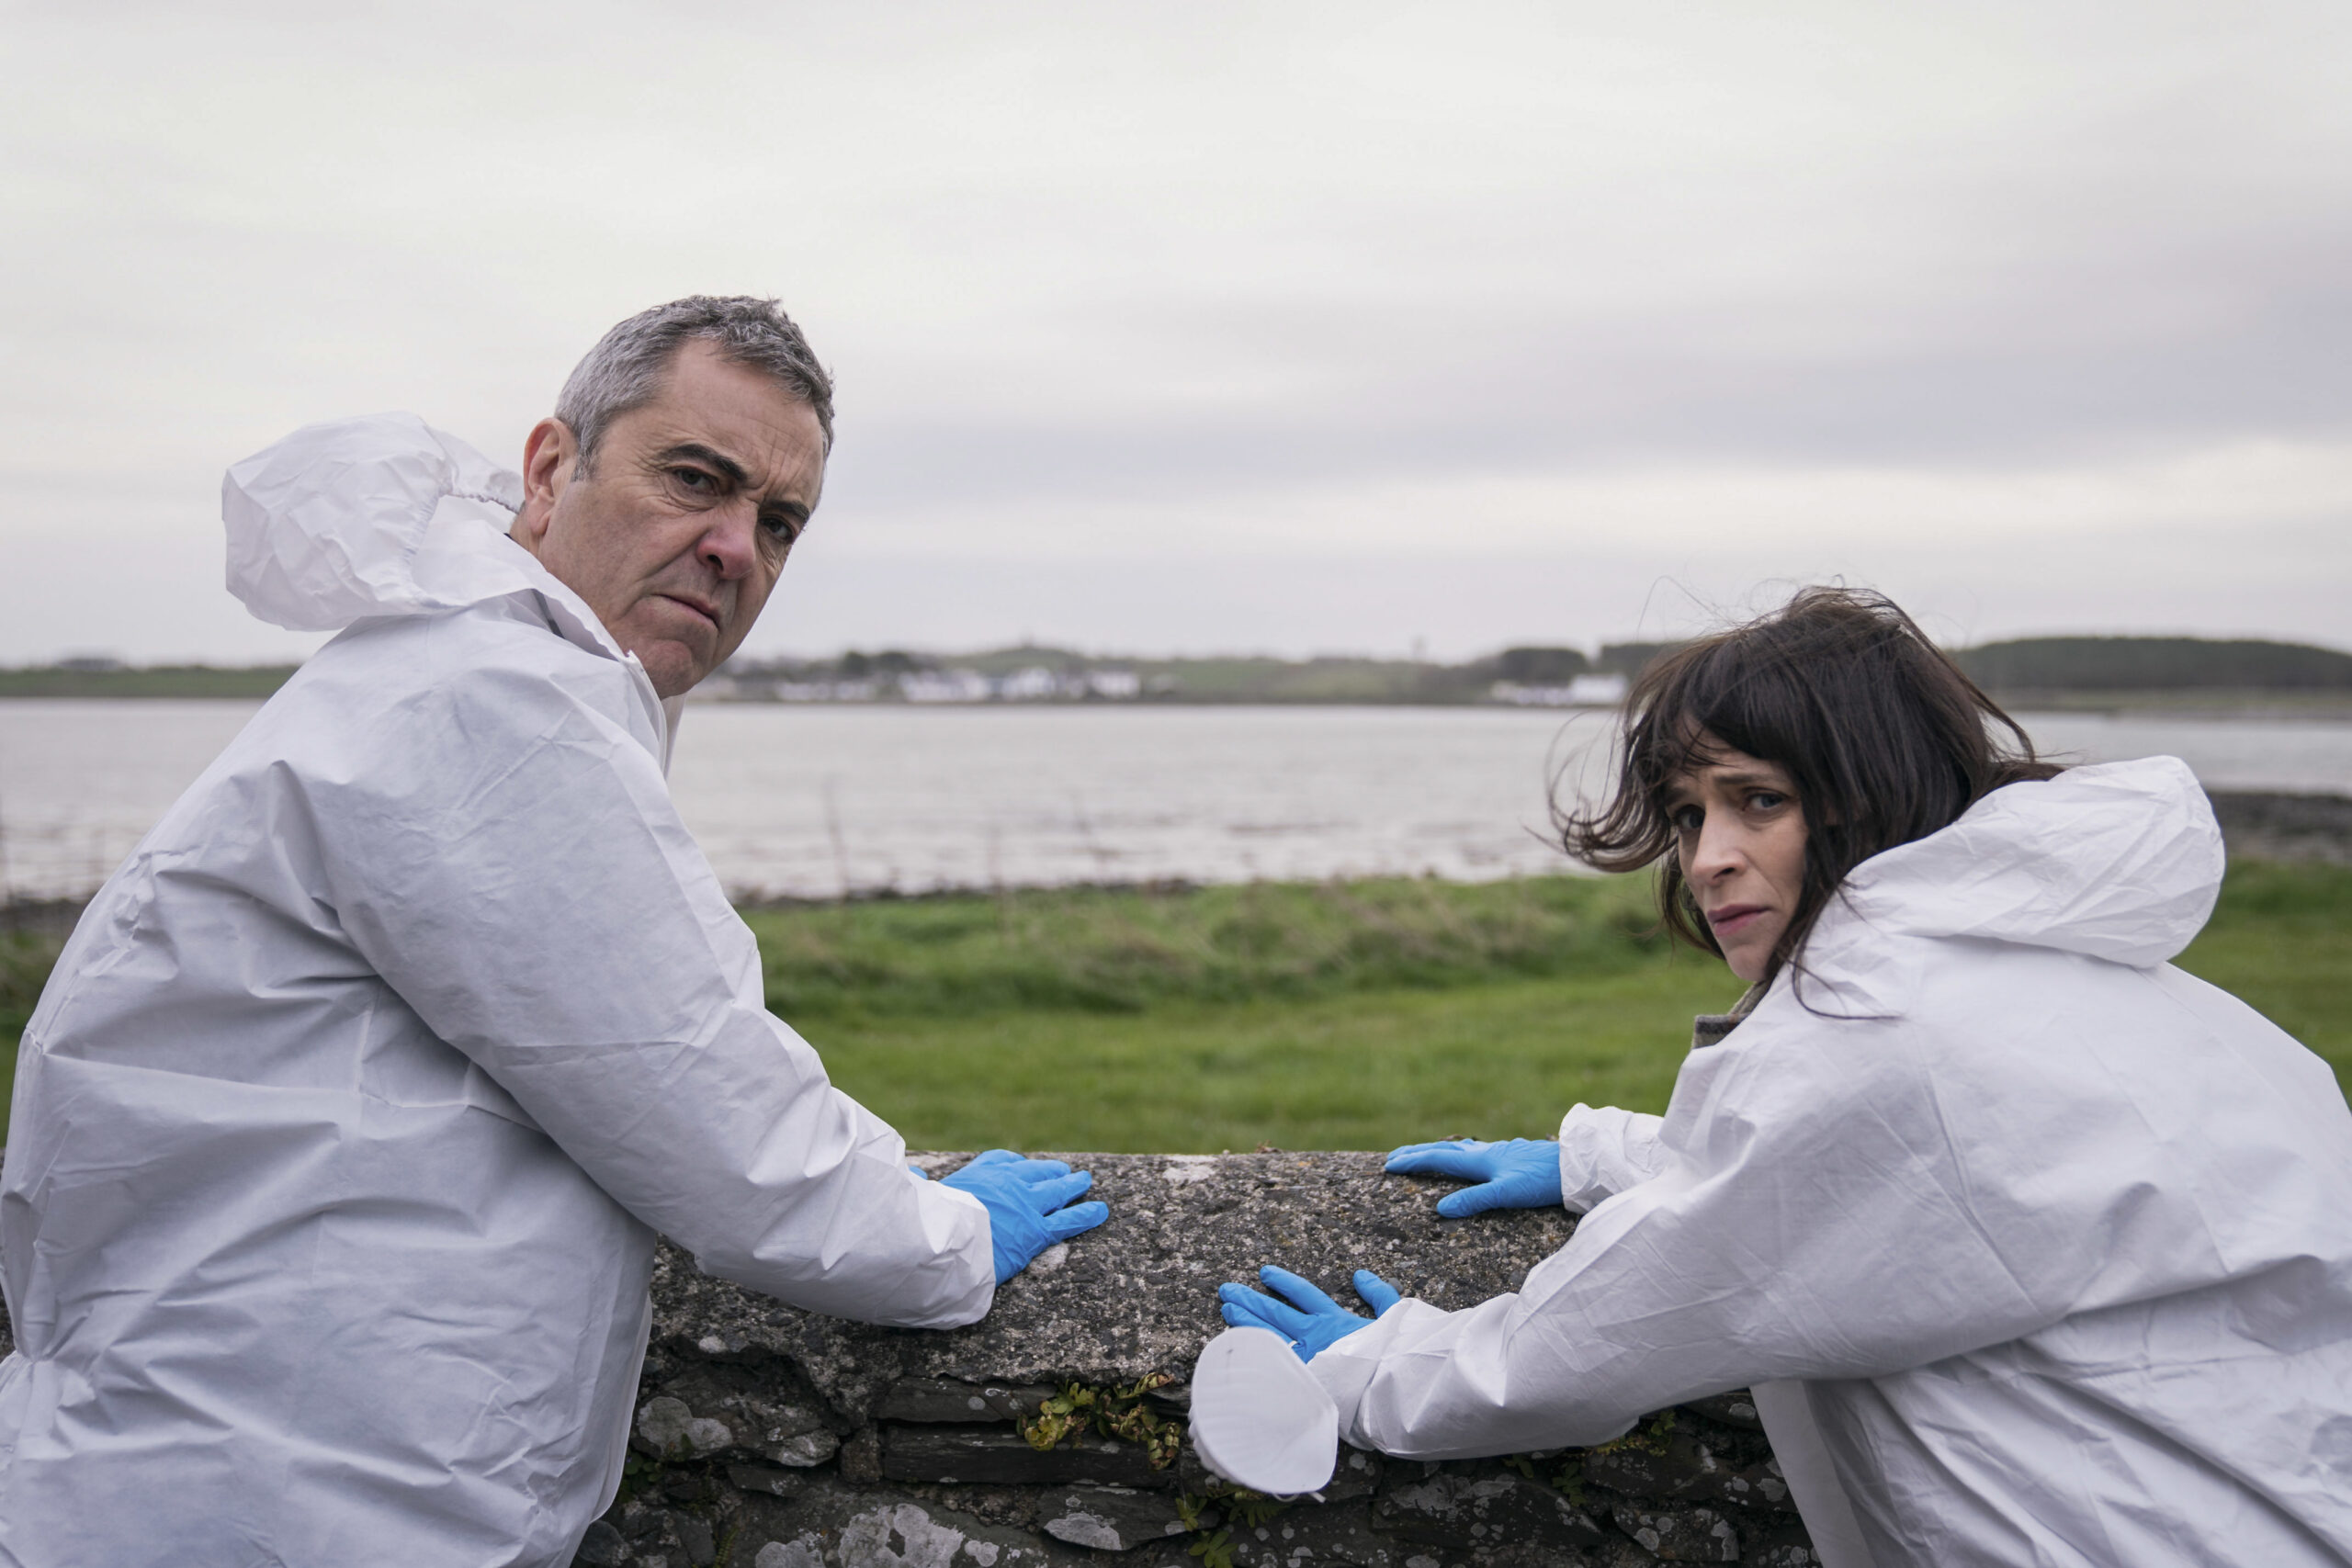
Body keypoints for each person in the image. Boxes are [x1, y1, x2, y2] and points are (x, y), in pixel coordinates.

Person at [0, 297, 1108, 1567]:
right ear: (549, 467)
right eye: (696, 477)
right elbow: (705, 1104)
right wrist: (947, 1237)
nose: (734, 546)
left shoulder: (458, 669)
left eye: (779, 522)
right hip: (279, 1503)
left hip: (228, 1476)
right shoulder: (494, 703)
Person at [1216, 588, 2352, 1566]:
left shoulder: (1889, 1030)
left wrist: (1371, 1369)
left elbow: (1603, 1338)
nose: (1707, 858)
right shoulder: (2124, 995)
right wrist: (1607, 1156)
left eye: (1757, 800)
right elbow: (1898, 1193)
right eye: (1688, 813)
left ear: (1867, 791)